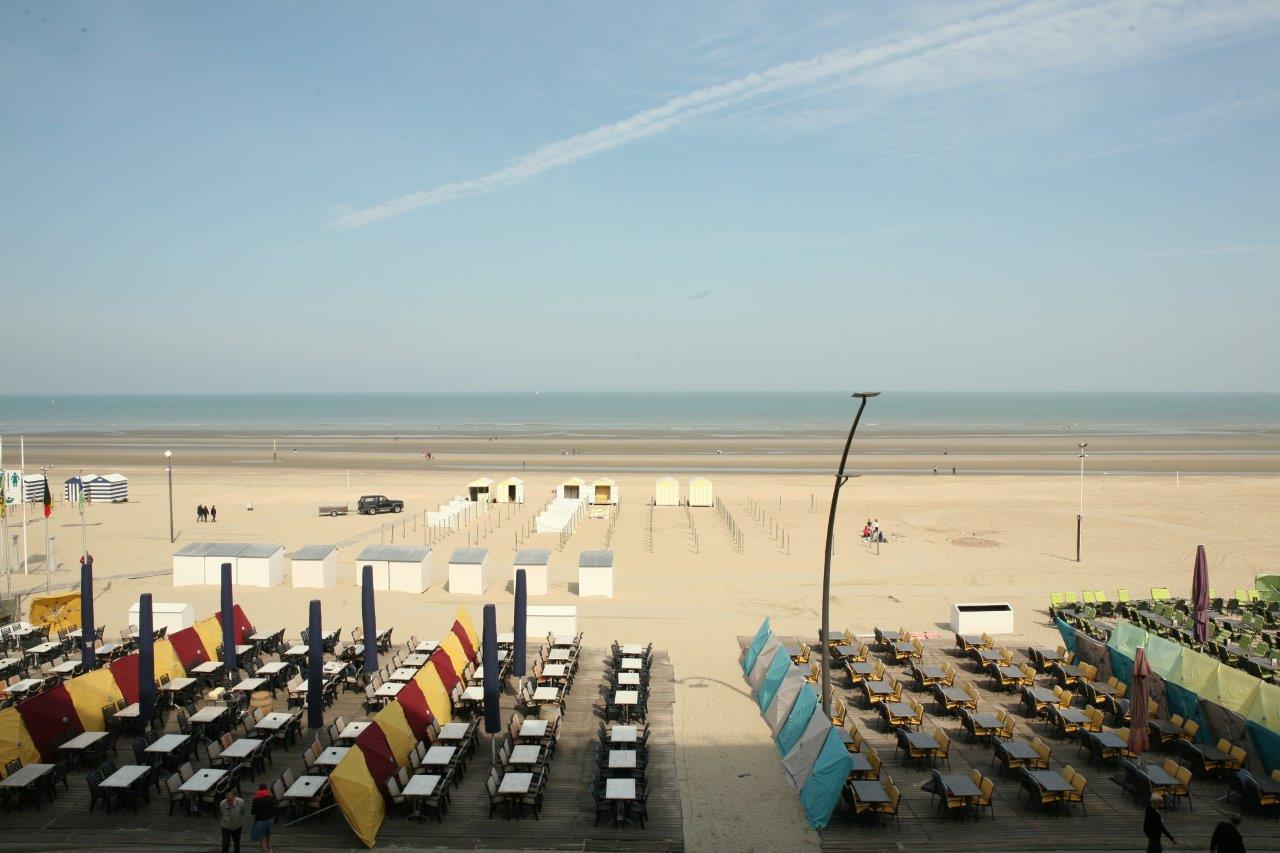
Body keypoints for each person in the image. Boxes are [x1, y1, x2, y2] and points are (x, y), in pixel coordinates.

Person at [250, 783, 277, 852]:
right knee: (268, 836)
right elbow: (274, 810)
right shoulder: (271, 798)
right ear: (266, 789)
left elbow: (252, 812)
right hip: (270, 820)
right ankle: (270, 850)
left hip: (260, 821)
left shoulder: (256, 799)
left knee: (262, 840)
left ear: (259, 789)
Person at [219, 788, 247, 853]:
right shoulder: (222, 803)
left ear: (234, 797)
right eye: (228, 800)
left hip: (237, 825)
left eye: (231, 800)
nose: (230, 802)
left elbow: (243, 812)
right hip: (226, 826)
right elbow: (221, 813)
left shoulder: (241, 802)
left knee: (237, 842)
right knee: (225, 843)